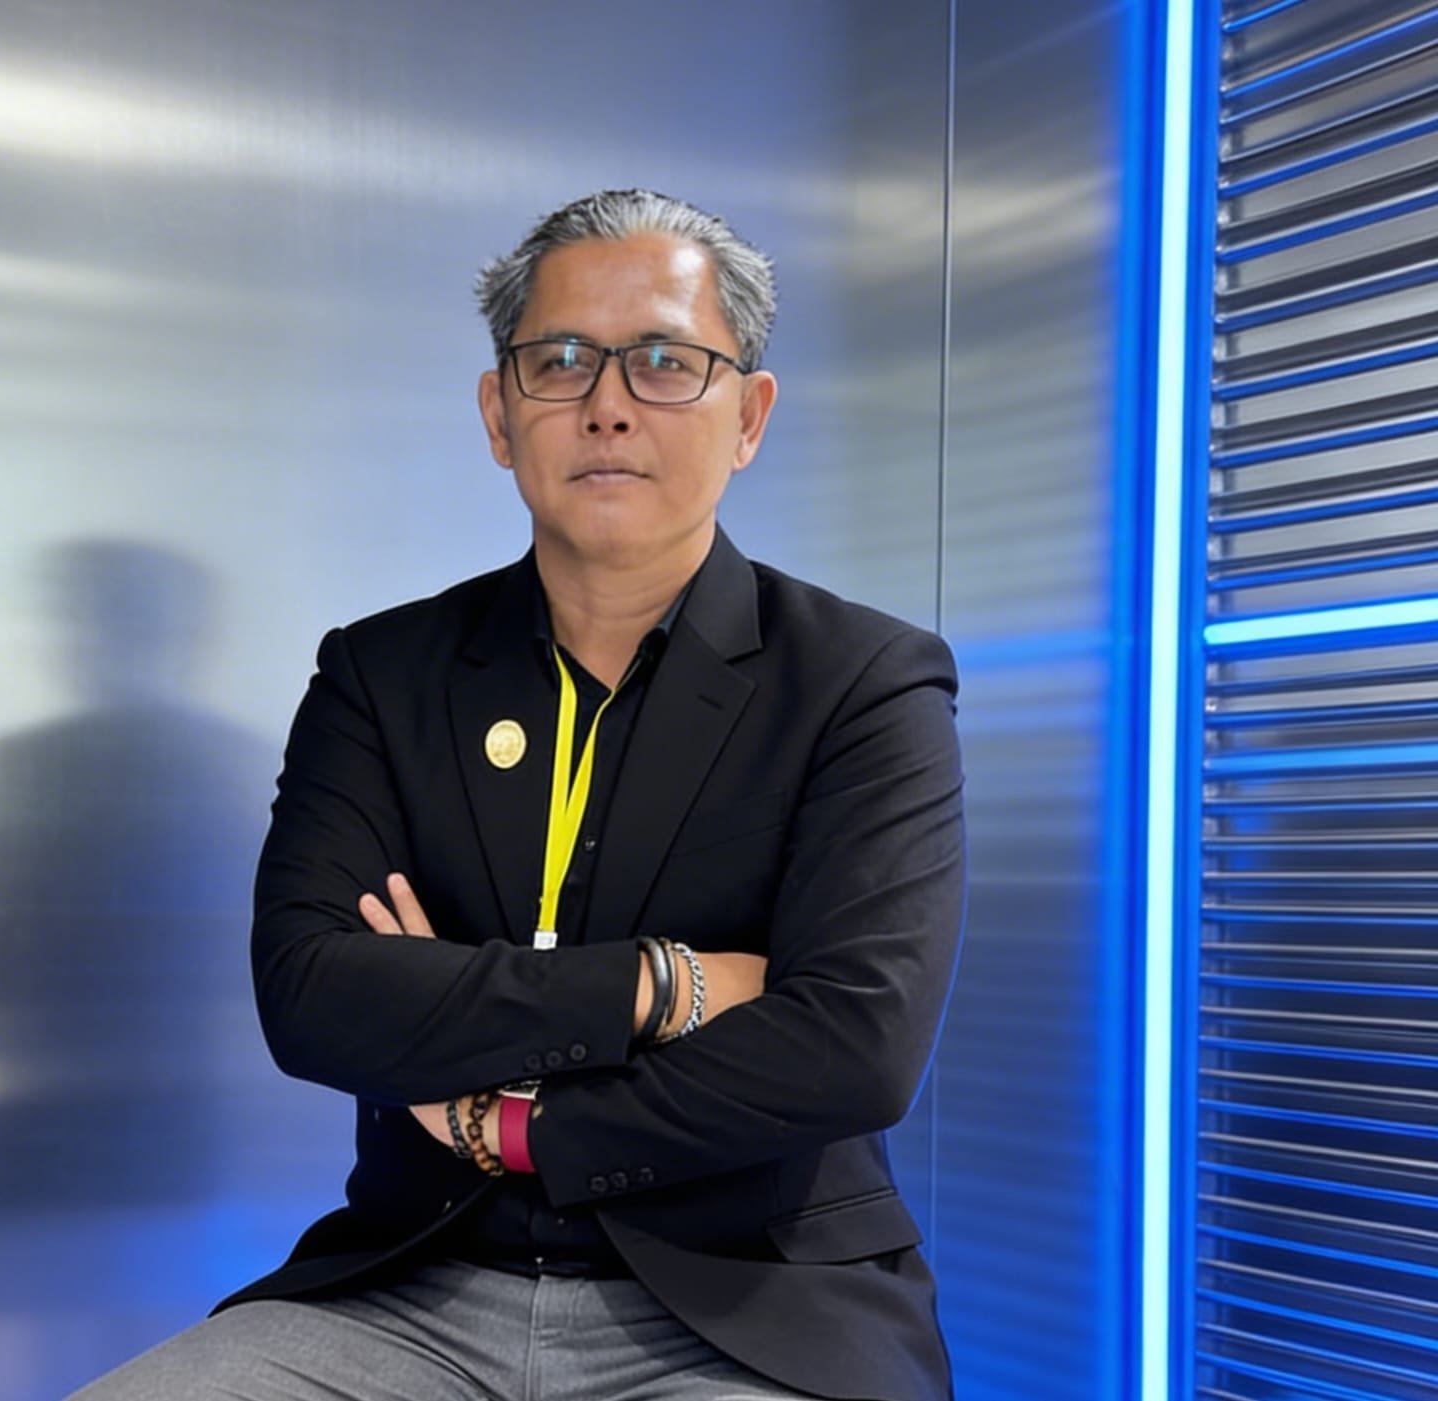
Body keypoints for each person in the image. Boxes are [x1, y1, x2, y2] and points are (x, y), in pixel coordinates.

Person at [71, 189, 965, 1401]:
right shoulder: (382, 674)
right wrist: (664, 985)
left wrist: (516, 1122)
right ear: (500, 414)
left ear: (748, 416)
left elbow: (852, 1049)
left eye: (664, 362)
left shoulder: (861, 681)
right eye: (560, 361)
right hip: (414, 1285)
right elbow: (313, 996)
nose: (607, 403)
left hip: (748, 1306)